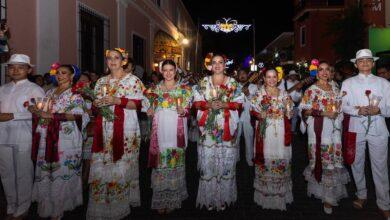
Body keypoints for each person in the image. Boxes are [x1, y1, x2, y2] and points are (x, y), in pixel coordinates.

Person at [87, 48, 145, 220]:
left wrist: (117, 100)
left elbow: (140, 105)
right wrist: (97, 104)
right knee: (102, 165)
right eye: (109, 58)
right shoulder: (101, 82)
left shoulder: (133, 80)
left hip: (126, 129)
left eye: (116, 58)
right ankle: (102, 205)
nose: (112, 61)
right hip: (104, 128)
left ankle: (119, 206)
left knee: (121, 165)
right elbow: (95, 107)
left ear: (124, 61)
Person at [29, 64, 89, 219]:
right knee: (47, 170)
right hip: (47, 135)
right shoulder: (49, 92)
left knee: (63, 170)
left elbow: (76, 115)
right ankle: (47, 205)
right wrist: (35, 110)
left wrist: (51, 116)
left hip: (65, 137)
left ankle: (59, 208)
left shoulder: (75, 94)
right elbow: (43, 110)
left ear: (71, 76)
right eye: (58, 73)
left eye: (64, 73)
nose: (60, 75)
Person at [341, 49, 390, 219]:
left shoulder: (384, 83)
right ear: (356, 64)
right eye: (361, 61)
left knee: (380, 167)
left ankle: (384, 203)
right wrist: (357, 110)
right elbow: (343, 106)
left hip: (379, 129)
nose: (365, 63)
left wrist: (380, 109)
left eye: (368, 60)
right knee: (356, 163)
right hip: (356, 128)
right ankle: (361, 194)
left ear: (373, 63)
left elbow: (389, 108)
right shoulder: (348, 83)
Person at [193, 54, 244, 211]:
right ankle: (209, 198)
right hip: (209, 130)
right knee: (209, 163)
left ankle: (223, 198)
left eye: (220, 62)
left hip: (226, 128)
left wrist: (225, 104)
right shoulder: (203, 83)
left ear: (225, 65)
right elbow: (196, 102)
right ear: (210, 66)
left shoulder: (233, 83)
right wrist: (208, 105)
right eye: (214, 62)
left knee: (226, 163)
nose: (217, 65)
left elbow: (240, 103)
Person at [300, 61, 350, 214]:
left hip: (335, 130)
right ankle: (326, 198)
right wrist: (324, 113)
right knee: (323, 160)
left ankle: (332, 193)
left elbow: (340, 107)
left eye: (327, 69)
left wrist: (339, 113)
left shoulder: (336, 88)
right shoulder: (311, 90)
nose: (324, 72)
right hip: (319, 130)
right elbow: (305, 111)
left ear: (331, 72)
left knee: (334, 161)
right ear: (317, 73)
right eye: (321, 69)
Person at [0, 54, 45, 220]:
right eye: (12, 67)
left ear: (29, 70)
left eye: (20, 67)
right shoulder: (2, 89)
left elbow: (39, 113)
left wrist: (12, 115)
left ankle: (23, 207)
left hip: (23, 135)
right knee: (5, 173)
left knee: (23, 173)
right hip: (2, 135)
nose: (15, 70)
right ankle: (11, 205)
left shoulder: (34, 89)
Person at [145, 60, 192, 213]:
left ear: (176, 70)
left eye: (171, 69)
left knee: (174, 160)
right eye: (165, 70)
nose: (168, 73)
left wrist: (183, 110)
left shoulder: (184, 89)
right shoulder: (154, 90)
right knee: (161, 163)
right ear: (161, 71)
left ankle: (173, 199)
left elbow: (188, 110)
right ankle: (161, 200)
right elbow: (148, 107)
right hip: (160, 130)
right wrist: (149, 111)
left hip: (176, 130)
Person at [250, 69, 293, 210]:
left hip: (281, 132)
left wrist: (289, 112)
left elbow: (289, 110)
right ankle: (265, 197)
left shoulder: (284, 93)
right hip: (265, 133)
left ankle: (279, 196)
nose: (272, 79)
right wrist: (259, 114)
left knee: (280, 158)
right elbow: (252, 110)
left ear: (278, 78)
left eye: (274, 77)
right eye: (268, 77)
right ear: (264, 78)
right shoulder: (259, 93)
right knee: (266, 159)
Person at [236, 69, 257, 166]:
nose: (242, 76)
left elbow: (256, 102)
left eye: (244, 73)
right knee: (236, 137)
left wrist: (248, 94)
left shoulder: (254, 87)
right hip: (236, 116)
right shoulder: (234, 87)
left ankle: (249, 158)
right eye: (240, 74)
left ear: (247, 75)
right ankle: (236, 157)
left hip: (248, 116)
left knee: (249, 137)